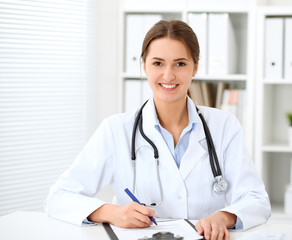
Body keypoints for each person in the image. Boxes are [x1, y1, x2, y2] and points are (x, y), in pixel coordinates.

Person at [44, 20, 271, 240]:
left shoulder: (223, 126)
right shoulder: (116, 130)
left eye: (180, 63)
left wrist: (225, 216)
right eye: (157, 63)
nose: (168, 75)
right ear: (144, 66)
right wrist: (112, 213)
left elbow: (256, 199)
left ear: (195, 67)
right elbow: (58, 197)